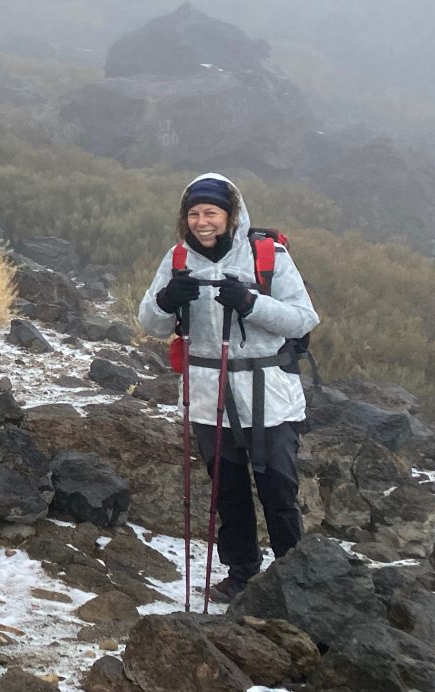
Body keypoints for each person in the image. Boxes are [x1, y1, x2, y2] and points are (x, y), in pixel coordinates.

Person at [137, 173, 320, 603]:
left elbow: (302, 318)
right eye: (194, 213)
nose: (203, 222)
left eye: (211, 213)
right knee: (227, 489)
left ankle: (294, 579)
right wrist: (166, 301)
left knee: (278, 488)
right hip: (207, 393)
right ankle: (242, 573)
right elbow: (150, 322)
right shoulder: (178, 258)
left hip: (267, 392)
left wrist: (251, 303)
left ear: (230, 215)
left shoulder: (267, 254)